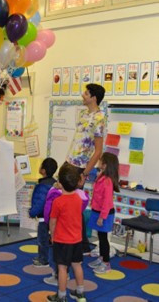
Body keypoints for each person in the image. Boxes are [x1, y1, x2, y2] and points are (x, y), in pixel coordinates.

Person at [66, 83, 106, 253]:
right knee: (66, 204)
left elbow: (98, 151)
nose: (83, 95)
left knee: (74, 207)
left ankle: (81, 244)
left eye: (86, 93)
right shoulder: (83, 113)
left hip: (81, 168)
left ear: (93, 98)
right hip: (70, 162)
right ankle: (71, 240)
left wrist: (85, 173)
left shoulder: (99, 118)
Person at [46, 163, 86, 302]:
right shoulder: (78, 199)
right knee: (77, 265)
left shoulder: (58, 201)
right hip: (77, 240)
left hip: (62, 241)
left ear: (60, 183)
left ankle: (61, 296)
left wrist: (52, 235)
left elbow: (52, 222)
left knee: (62, 268)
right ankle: (80, 292)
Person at [88, 152, 120, 274]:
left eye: (101, 160)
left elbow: (106, 202)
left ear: (105, 165)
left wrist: (102, 217)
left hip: (104, 213)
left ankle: (106, 263)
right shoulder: (101, 176)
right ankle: (102, 257)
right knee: (100, 237)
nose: (99, 162)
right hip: (97, 210)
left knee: (103, 238)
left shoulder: (107, 181)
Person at [29, 157, 58, 267]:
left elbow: (40, 203)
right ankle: (47, 258)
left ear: (43, 170)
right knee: (52, 238)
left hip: (43, 218)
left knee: (42, 239)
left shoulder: (42, 186)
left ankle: (43, 259)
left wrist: (32, 212)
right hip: (54, 217)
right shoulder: (55, 184)